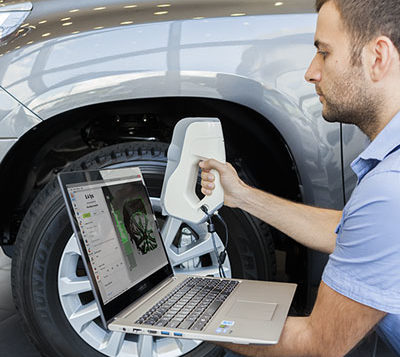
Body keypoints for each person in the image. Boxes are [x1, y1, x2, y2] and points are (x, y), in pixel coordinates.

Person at [199, 0, 400, 356]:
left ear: (378, 57)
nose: (310, 72)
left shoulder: (389, 189)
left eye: (324, 52)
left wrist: (191, 319)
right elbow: (353, 233)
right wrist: (241, 195)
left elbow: (317, 346)